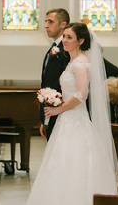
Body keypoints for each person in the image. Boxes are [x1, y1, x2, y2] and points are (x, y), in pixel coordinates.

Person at [27, 22, 118, 204]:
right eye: (64, 36)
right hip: (67, 119)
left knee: (75, 162)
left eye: (70, 37)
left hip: (75, 119)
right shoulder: (72, 62)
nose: (65, 41)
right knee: (60, 163)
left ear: (80, 41)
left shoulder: (80, 63)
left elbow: (81, 94)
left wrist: (58, 108)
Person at [39, 8, 70, 139]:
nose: (46, 25)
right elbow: (47, 82)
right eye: (46, 21)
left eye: (50, 22)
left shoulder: (67, 49)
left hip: (61, 112)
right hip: (50, 113)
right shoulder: (54, 48)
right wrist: (44, 120)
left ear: (63, 25)